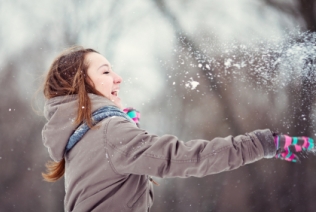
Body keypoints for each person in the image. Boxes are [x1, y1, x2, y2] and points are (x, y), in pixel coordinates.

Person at [41, 46, 314, 212]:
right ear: (82, 84)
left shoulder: (80, 137)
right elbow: (187, 158)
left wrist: (130, 133)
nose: (117, 77)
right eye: (104, 72)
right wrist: (263, 144)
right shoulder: (110, 133)